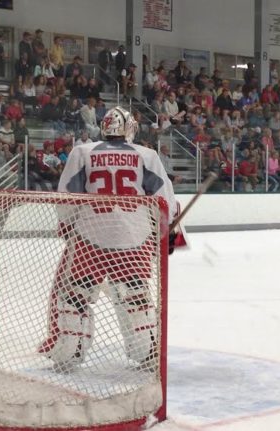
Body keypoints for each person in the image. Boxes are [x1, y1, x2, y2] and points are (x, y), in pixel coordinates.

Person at [38, 106, 178, 370]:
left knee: (75, 296)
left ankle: (69, 355)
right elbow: (164, 199)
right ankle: (147, 354)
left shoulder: (82, 152)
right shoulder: (146, 155)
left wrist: (67, 226)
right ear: (128, 129)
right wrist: (166, 230)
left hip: (91, 235)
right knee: (136, 296)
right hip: (133, 237)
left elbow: (67, 198)